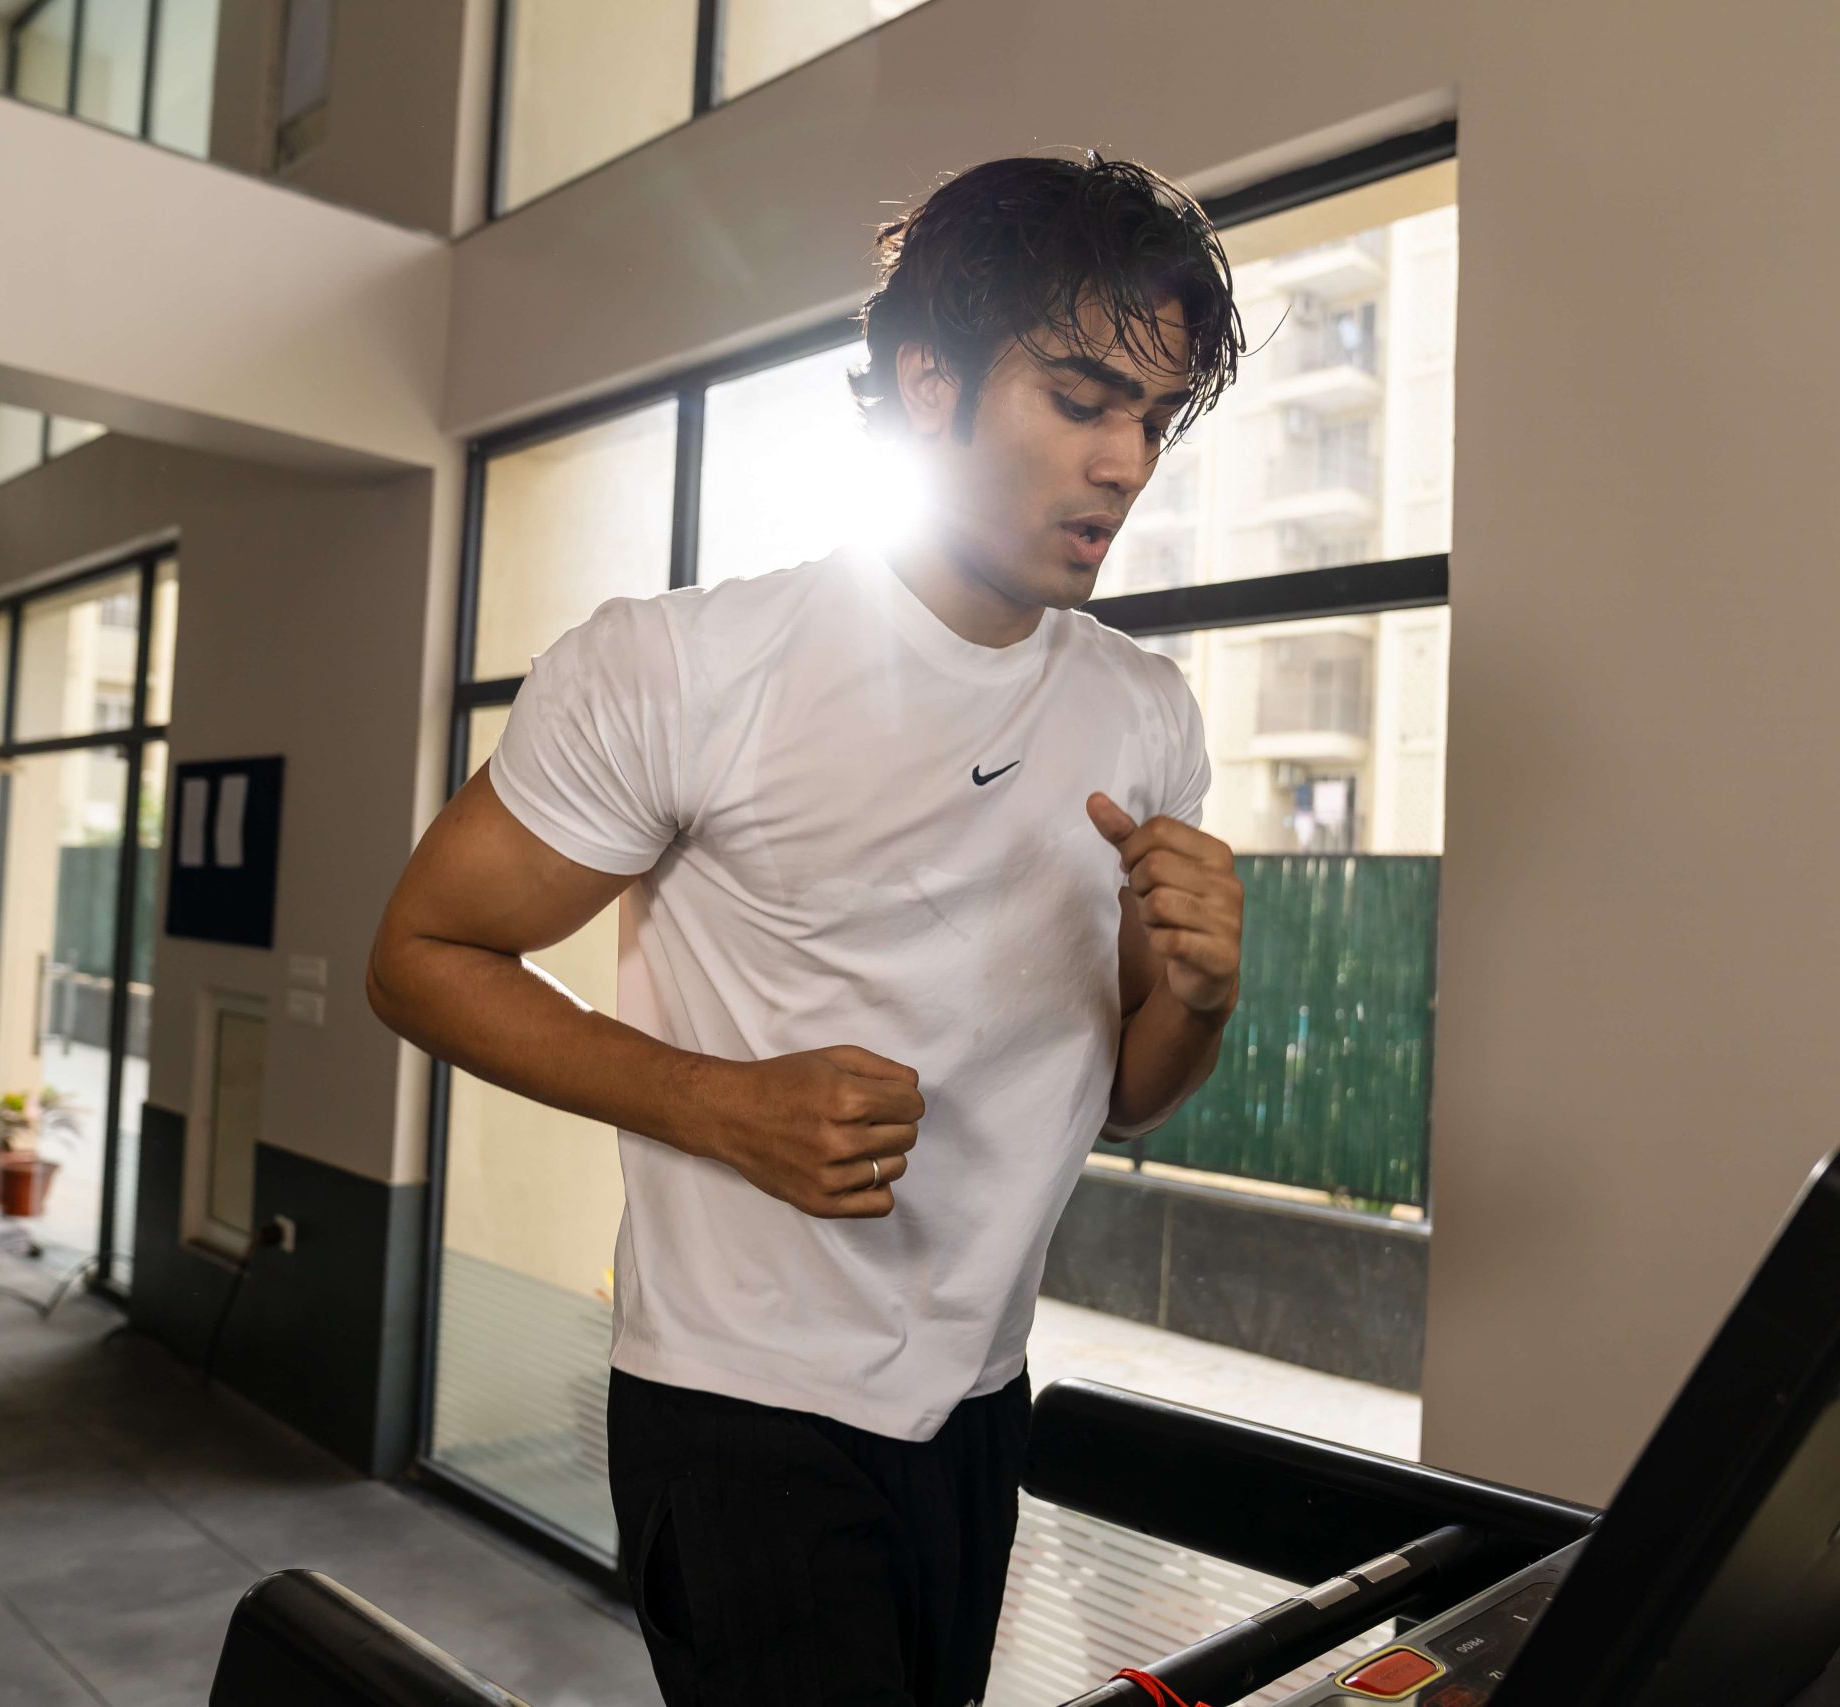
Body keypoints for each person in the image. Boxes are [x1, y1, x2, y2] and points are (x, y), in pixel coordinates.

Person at [366, 150, 1249, 1707]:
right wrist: (719, 1103)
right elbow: (420, 958)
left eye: (1157, 420)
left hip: (979, 1397)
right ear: (929, 382)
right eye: (1081, 400)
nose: (1126, 463)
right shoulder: (685, 669)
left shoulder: (1145, 714)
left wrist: (1197, 995)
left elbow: (1125, 1092)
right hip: (741, 1407)